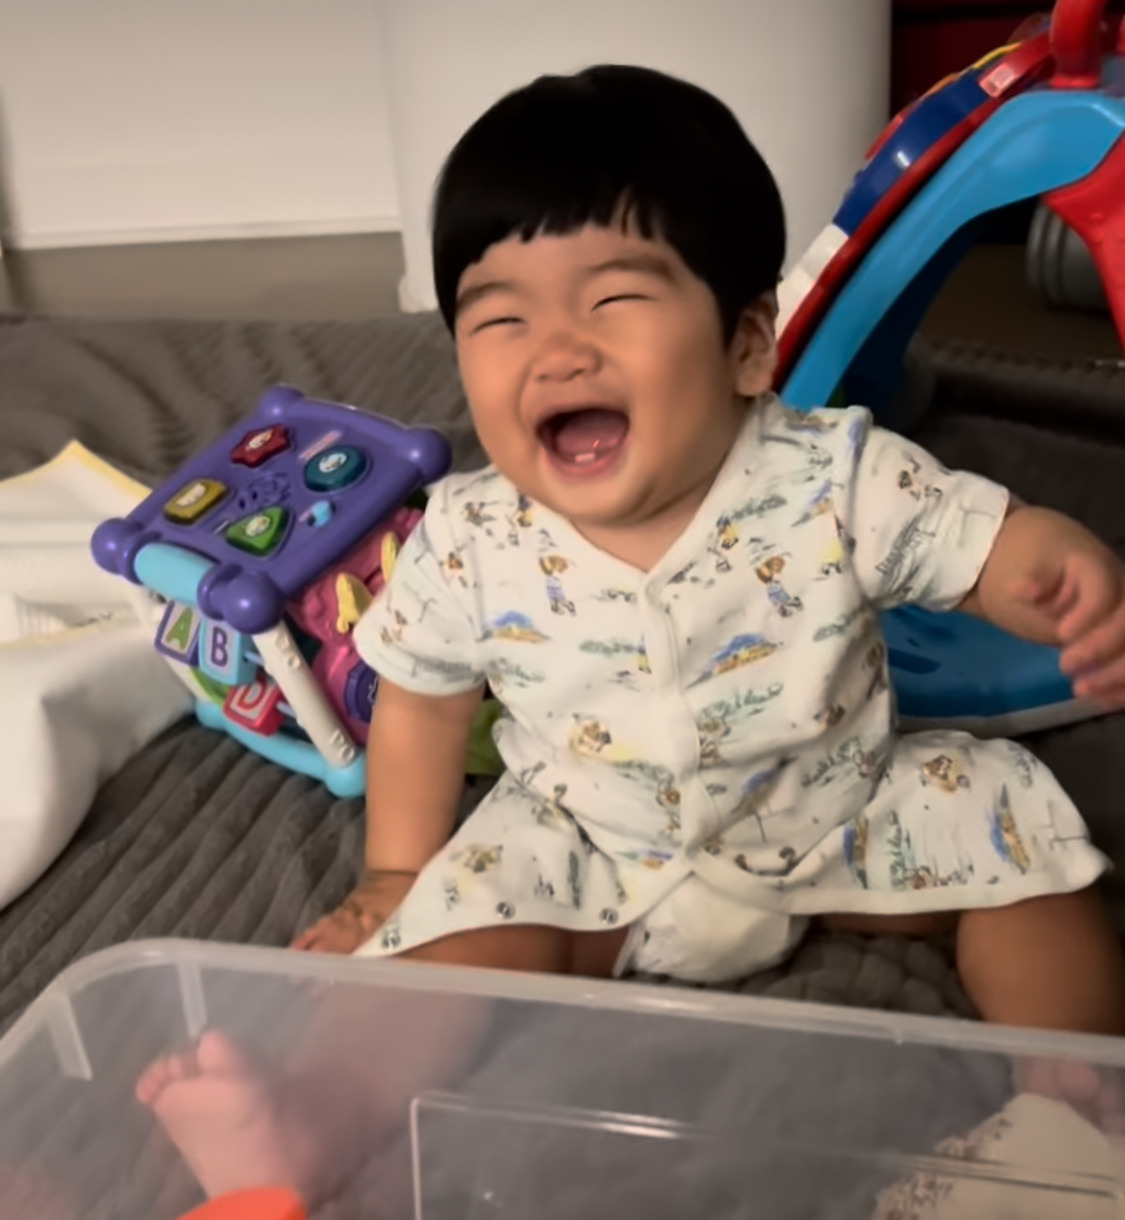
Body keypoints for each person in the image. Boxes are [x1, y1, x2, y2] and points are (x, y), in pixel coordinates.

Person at [137, 63, 1125, 1202]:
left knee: (1020, 833)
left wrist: (1051, 570)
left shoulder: (833, 474)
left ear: (746, 345)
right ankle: (309, 1119)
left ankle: (1076, 1099)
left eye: (612, 302)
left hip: (839, 813)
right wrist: (399, 871)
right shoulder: (468, 534)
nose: (556, 350)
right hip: (590, 844)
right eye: (500, 318)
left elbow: (973, 540)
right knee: (445, 939)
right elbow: (419, 699)